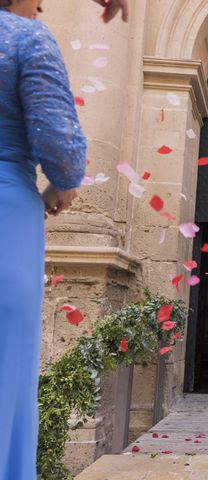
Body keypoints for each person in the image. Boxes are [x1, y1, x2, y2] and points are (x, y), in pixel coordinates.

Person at [0, 0, 126, 477]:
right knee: (4, 372)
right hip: (5, 212)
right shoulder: (26, 38)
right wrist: (61, 185)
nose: (44, 4)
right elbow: (62, 149)